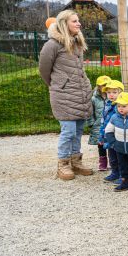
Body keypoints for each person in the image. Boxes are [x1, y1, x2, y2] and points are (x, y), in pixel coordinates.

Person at [38, 9, 94, 181]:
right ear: (64, 24)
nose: (79, 24)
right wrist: (59, 86)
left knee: (77, 131)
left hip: (80, 94)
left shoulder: (77, 43)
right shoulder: (52, 45)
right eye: (74, 21)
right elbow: (44, 71)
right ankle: (62, 164)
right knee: (68, 131)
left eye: (78, 21)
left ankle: (76, 161)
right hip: (64, 95)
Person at [100, 80, 124, 183]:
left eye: (114, 92)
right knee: (112, 156)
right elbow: (103, 121)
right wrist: (102, 136)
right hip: (109, 135)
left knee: (120, 157)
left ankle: (123, 175)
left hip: (118, 136)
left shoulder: (121, 106)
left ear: (120, 93)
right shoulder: (107, 104)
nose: (111, 95)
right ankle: (114, 172)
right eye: (109, 92)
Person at [88, 75, 111, 171]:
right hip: (99, 125)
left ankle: (113, 161)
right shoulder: (93, 98)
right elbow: (90, 112)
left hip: (110, 124)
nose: (105, 87)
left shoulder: (112, 97)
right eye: (103, 85)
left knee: (111, 143)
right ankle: (103, 162)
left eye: (107, 85)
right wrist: (91, 123)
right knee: (101, 144)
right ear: (98, 86)